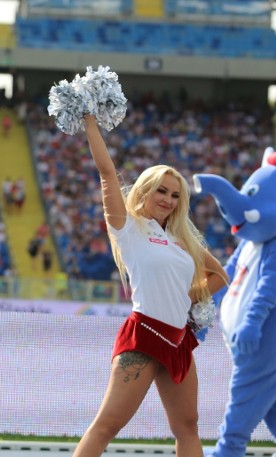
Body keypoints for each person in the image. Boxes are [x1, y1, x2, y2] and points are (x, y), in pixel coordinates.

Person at [74, 114, 228, 457]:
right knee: (108, 425)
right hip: (143, 337)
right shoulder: (128, 228)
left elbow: (219, 276)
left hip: (178, 341)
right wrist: (90, 124)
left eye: (175, 195)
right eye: (161, 190)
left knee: (187, 427)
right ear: (145, 189)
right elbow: (107, 174)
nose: (169, 199)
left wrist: (187, 298)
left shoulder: (181, 238)